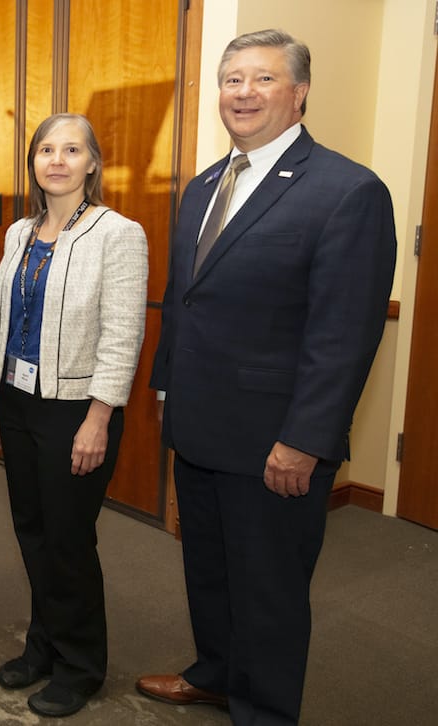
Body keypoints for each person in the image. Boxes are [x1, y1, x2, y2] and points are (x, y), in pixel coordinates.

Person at [140, 29, 396, 725]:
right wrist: (168, 394)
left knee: (270, 592)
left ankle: (264, 712)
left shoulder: (348, 191)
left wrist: (306, 441)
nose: (243, 94)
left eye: (262, 79)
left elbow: (343, 336)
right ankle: (216, 675)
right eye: (231, 80)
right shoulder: (200, 187)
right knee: (211, 576)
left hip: (274, 445)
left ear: (300, 93)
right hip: (199, 427)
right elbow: (183, 299)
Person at [0, 113, 148, 717]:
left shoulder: (117, 233)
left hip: (77, 410)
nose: (57, 160)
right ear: (34, 163)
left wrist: (99, 418)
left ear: (92, 162)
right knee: (32, 530)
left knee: (69, 540)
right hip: (19, 403)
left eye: (71, 150)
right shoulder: (20, 234)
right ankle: (43, 646)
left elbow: (123, 334)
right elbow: (6, 322)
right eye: (45, 149)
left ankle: (81, 666)